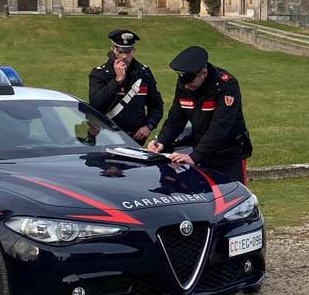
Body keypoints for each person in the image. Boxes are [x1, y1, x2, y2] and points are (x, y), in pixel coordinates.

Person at [147, 45, 253, 184]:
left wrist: (195, 157)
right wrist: (161, 142)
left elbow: (220, 126)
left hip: (228, 155)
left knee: (232, 196)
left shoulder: (226, 85)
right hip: (203, 152)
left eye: (190, 83)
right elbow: (175, 119)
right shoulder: (185, 84)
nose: (186, 87)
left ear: (203, 73)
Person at [88, 29, 164, 143]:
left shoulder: (143, 73)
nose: (124, 56)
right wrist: (117, 80)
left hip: (133, 139)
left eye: (128, 52)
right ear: (112, 49)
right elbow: (95, 104)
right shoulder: (100, 73)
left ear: (134, 51)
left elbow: (156, 105)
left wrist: (149, 126)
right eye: (120, 51)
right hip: (104, 137)